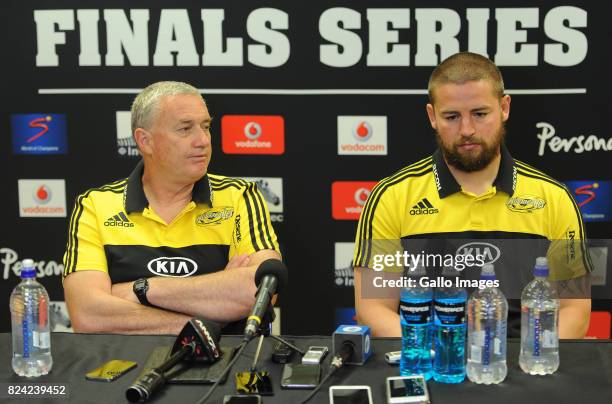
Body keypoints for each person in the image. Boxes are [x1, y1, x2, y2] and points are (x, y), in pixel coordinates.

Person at [353, 52, 592, 338]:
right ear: (432, 116)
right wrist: (445, 355)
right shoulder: (391, 197)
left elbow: (574, 311)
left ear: (504, 108)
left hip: (522, 368)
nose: (466, 130)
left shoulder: (554, 198)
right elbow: (374, 309)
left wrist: (525, 358)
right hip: (432, 365)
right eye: (452, 116)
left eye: (480, 114)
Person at [62, 81, 281, 334]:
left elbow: (262, 291)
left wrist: (140, 289)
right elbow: (89, 316)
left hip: (226, 366)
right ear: (145, 141)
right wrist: (212, 318)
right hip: (126, 368)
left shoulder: (239, 196)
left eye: (206, 127)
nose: (203, 141)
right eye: (185, 129)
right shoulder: (95, 205)